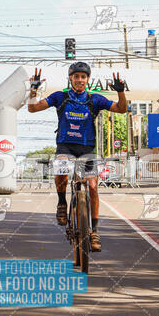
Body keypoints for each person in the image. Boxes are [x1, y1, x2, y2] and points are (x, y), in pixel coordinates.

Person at [28, 62, 127, 252]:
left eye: (83, 77)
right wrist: (33, 90)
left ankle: (95, 231)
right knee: (61, 169)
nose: (80, 80)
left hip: (86, 149)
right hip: (65, 146)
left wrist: (120, 92)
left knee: (92, 186)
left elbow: (121, 109)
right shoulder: (60, 96)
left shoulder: (95, 99)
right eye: (76, 76)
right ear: (70, 78)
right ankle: (62, 203)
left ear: (87, 79)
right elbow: (32, 109)